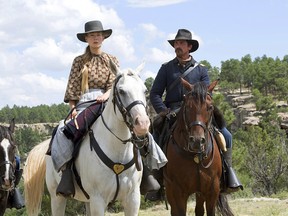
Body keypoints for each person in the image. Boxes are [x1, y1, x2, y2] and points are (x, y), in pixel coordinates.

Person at [51, 20, 162, 198]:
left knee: (138, 128)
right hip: (85, 103)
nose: (96, 38)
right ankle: (67, 173)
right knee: (67, 131)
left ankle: (146, 172)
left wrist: (108, 94)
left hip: (110, 101)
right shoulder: (79, 61)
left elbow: (118, 84)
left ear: (104, 37)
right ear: (86, 38)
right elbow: (72, 87)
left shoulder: (112, 60)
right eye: (92, 35)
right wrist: (73, 108)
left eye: (99, 35)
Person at [148, 29, 243, 200]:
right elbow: (155, 94)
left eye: (181, 43)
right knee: (154, 136)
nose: (178, 46)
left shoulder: (201, 70)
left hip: (198, 111)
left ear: (189, 47)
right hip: (172, 111)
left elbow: (207, 93)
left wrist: (199, 107)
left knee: (227, 136)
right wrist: (164, 111)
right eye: (176, 43)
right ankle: (155, 180)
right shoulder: (166, 68)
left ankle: (227, 175)